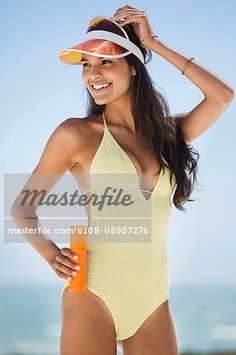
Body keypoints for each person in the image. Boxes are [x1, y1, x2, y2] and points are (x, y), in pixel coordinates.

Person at [11, 5, 234, 355]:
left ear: (133, 67)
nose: (92, 74)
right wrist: (51, 254)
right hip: (92, 291)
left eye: (105, 62)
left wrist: (152, 43)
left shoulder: (168, 135)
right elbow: (23, 207)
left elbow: (222, 96)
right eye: (86, 65)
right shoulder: (77, 134)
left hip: (152, 298)